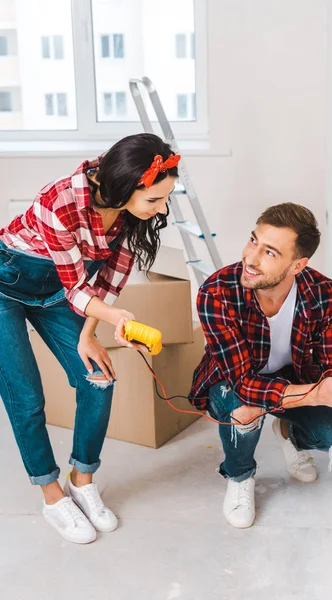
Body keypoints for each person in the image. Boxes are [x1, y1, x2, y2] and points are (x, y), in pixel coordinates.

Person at [0, 133, 180, 543]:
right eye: (155, 200)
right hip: (6, 284)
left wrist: (91, 335)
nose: (161, 209)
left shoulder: (131, 214)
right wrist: (115, 317)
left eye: (166, 199)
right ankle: (52, 496)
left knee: (98, 378)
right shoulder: (59, 199)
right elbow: (78, 289)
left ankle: (81, 481)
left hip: (58, 292)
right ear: (126, 185)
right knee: (26, 399)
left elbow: (110, 282)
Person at [189, 203, 332, 528]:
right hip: (231, 384)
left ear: (298, 264)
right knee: (246, 406)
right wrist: (314, 395)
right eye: (253, 240)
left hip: (292, 380)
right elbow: (243, 383)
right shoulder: (217, 292)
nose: (250, 258)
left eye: (269, 252)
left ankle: (287, 431)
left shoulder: (323, 294)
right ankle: (240, 475)